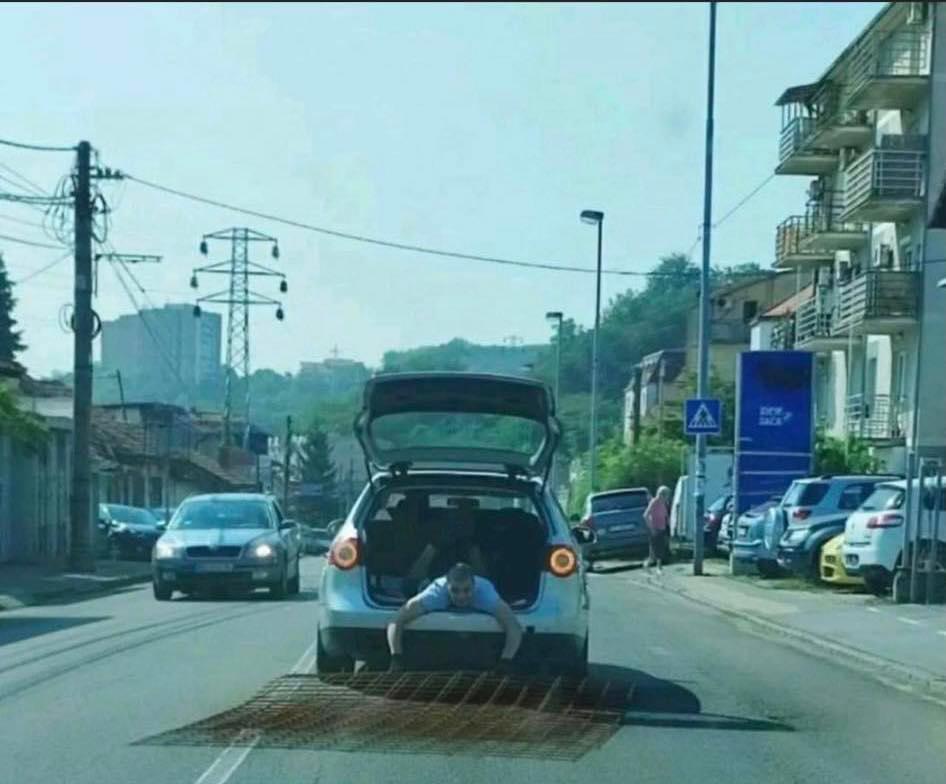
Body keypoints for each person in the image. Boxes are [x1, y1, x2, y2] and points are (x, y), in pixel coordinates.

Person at [386, 562, 523, 673]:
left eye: (467, 590)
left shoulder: (486, 595)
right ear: (447, 587)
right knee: (410, 586)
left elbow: (514, 626)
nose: (461, 596)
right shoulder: (435, 593)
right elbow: (397, 620)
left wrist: (505, 661)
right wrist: (396, 658)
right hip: (426, 586)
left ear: (474, 586)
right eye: (455, 590)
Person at [644, 485, 671, 573]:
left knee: (659, 549)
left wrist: (668, 524)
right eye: (666, 494)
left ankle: (655, 566)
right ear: (661, 494)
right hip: (655, 529)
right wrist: (651, 528)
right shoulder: (654, 502)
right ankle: (654, 566)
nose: (667, 496)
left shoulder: (664, 503)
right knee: (655, 550)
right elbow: (646, 515)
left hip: (662, 528)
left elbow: (665, 515)